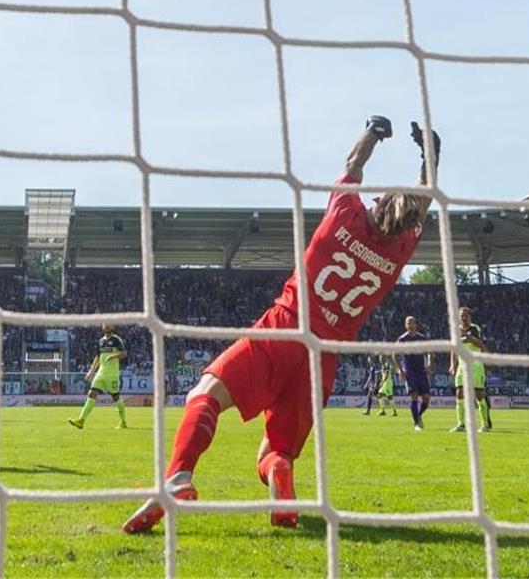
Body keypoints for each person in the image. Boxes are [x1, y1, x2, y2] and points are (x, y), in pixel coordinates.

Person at [123, 116, 439, 534]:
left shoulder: (345, 215)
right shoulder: (400, 251)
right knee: (275, 453)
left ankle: (179, 477)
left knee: (206, 393)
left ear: (376, 205)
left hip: (284, 328)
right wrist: (431, 157)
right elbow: (424, 202)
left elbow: (353, 161)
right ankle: (282, 486)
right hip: (324, 358)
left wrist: (374, 131)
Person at [68, 324, 129, 430]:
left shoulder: (116, 340)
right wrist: (91, 372)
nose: (107, 326)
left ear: (112, 327)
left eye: (109, 325)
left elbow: (124, 354)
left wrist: (113, 356)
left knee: (116, 397)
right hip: (101, 373)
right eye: (105, 325)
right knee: (91, 393)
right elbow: (97, 357)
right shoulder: (101, 341)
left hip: (112, 374)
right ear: (103, 327)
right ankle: (81, 420)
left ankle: (123, 422)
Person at [450, 306, 491, 432]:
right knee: (459, 393)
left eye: (466, 315)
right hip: (462, 365)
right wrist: (452, 365)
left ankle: (485, 424)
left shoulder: (475, 328)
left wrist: (470, 338)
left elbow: (481, 344)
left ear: (470, 317)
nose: (464, 318)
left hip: (476, 364)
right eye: (462, 316)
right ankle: (461, 424)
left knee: (479, 394)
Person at [397, 315, 432, 430]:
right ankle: (417, 424)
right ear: (405, 325)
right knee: (414, 397)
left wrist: (429, 365)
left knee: (426, 398)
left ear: (416, 325)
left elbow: (430, 352)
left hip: (421, 372)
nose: (410, 325)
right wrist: (401, 370)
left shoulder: (422, 338)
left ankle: (418, 415)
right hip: (410, 372)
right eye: (408, 323)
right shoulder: (402, 339)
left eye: (412, 323)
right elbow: (395, 355)